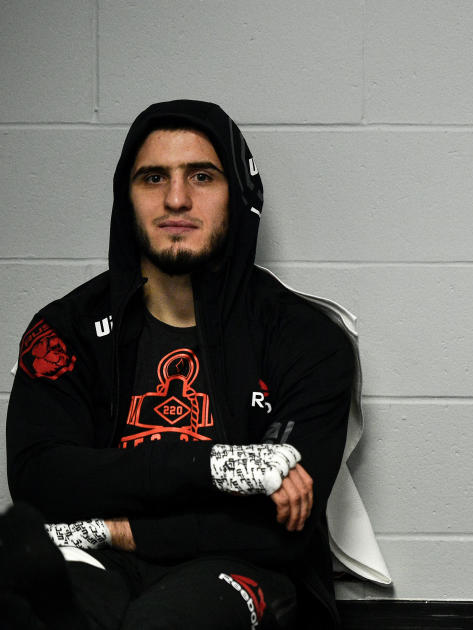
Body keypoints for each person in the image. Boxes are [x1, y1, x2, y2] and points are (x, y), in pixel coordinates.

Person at [5, 100, 354, 629]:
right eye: (153, 178)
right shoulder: (65, 330)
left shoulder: (306, 339)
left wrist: (113, 526)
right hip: (93, 561)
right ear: (127, 198)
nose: (176, 198)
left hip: (240, 570)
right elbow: (40, 480)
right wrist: (216, 467)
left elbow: (280, 527)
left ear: (239, 195)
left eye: (201, 176)